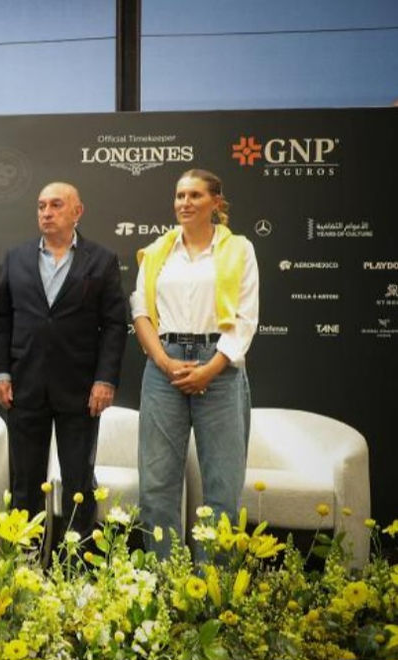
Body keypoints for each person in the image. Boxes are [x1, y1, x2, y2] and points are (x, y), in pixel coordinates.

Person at [130, 168, 258, 558]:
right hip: (162, 367)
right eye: (180, 195)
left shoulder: (239, 250)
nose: (185, 203)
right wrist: (163, 361)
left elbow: (245, 318)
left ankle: (210, 585)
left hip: (219, 367)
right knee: (156, 486)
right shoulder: (158, 251)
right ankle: (164, 580)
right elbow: (140, 312)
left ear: (215, 202)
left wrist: (209, 369)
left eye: (195, 195)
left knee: (222, 487)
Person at [0, 182, 128, 534]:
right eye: (41, 206)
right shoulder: (16, 257)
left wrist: (105, 379)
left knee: (78, 483)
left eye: (56, 205)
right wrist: (0, 372)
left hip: (80, 389)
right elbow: (1, 320)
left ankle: (76, 562)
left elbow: (114, 325)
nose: (46, 213)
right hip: (24, 386)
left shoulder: (101, 260)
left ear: (77, 212)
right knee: (25, 483)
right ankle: (24, 560)